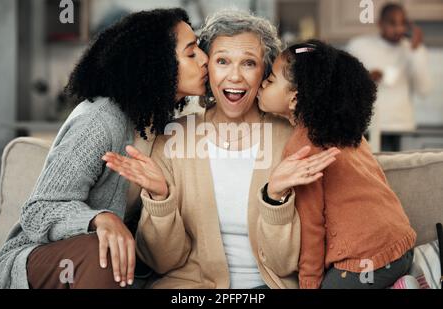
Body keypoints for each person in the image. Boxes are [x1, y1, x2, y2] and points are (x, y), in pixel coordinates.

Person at [103, 10, 339, 289]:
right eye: (223, 61)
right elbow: (162, 262)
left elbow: (284, 264)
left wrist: (275, 198)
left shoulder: (292, 140)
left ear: (265, 72)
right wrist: (160, 198)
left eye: (249, 63)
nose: (235, 76)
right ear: (207, 67)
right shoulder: (172, 139)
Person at [0, 8, 208, 289]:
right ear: (156, 64)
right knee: (103, 251)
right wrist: (99, 219)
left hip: (110, 269)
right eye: (191, 53)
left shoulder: (163, 126)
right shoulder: (100, 120)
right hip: (39, 261)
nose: (204, 59)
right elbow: (38, 210)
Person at [257, 39, 417, 289]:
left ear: (294, 99)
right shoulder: (345, 129)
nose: (261, 85)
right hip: (402, 246)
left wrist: (309, 283)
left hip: (365, 263)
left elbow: (312, 227)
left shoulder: (301, 148)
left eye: (269, 81)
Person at [347, 3, 433, 150]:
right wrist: (365, 79)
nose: (398, 29)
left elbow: (424, 90)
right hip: (368, 128)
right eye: (392, 23)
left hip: (402, 128)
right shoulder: (359, 46)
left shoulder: (413, 50)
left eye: (402, 23)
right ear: (380, 23)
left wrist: (416, 50)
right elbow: (343, 85)